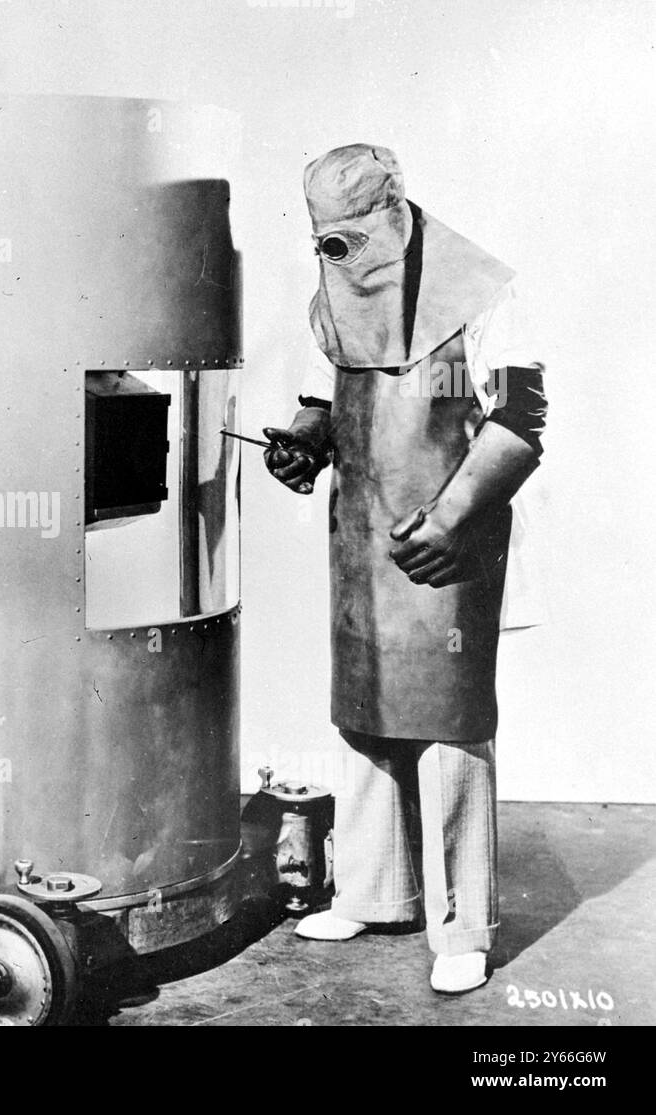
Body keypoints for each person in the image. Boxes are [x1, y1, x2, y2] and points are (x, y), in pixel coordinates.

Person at [262, 145, 547, 993]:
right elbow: (327, 398)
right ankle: (374, 890)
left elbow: (522, 420)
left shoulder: (478, 291)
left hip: (450, 536)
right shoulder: (333, 297)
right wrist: (303, 444)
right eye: (325, 242)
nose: (336, 259)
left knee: (451, 726)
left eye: (352, 239)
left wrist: (455, 517)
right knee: (365, 707)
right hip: (362, 538)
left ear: (396, 211)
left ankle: (462, 925)